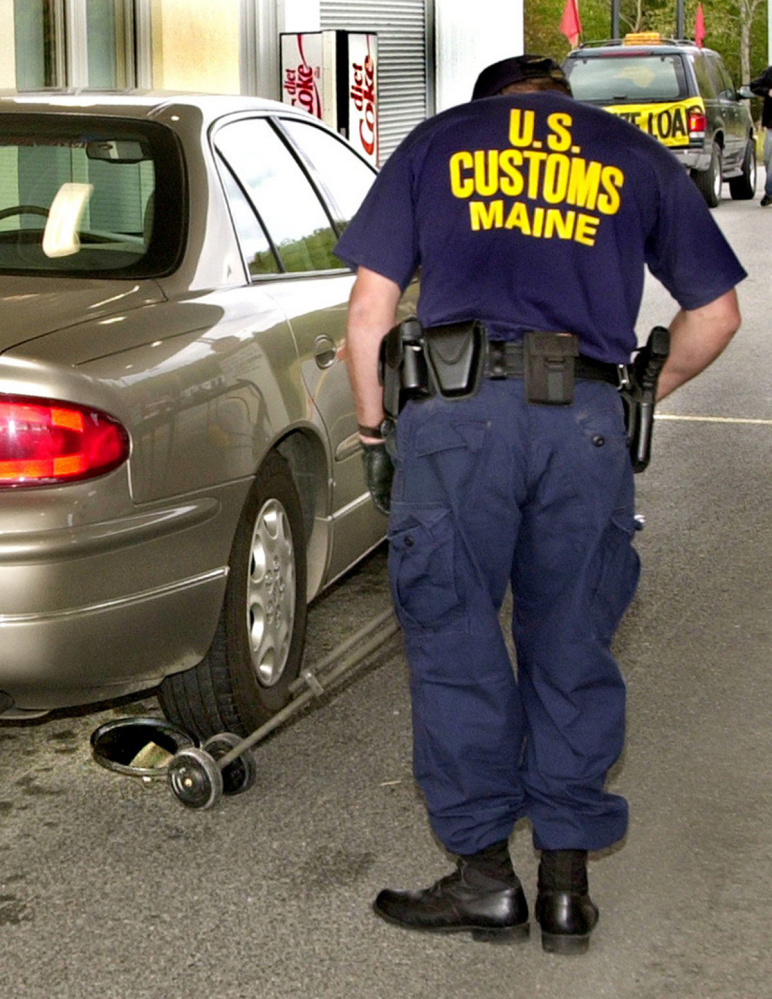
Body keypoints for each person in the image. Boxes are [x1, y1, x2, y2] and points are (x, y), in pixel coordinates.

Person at [336, 54, 745, 955]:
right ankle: (566, 891)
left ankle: (486, 882)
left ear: (494, 106)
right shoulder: (632, 153)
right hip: (587, 427)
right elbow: (715, 315)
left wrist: (374, 434)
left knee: (455, 640)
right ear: (566, 106)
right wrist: (632, 396)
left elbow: (367, 317)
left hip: (458, 420)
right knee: (571, 642)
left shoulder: (439, 140)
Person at [749, 64, 772, 206]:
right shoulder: (770, 72)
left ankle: (769, 192)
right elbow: (753, 86)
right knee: (768, 157)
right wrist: (768, 91)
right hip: (771, 123)